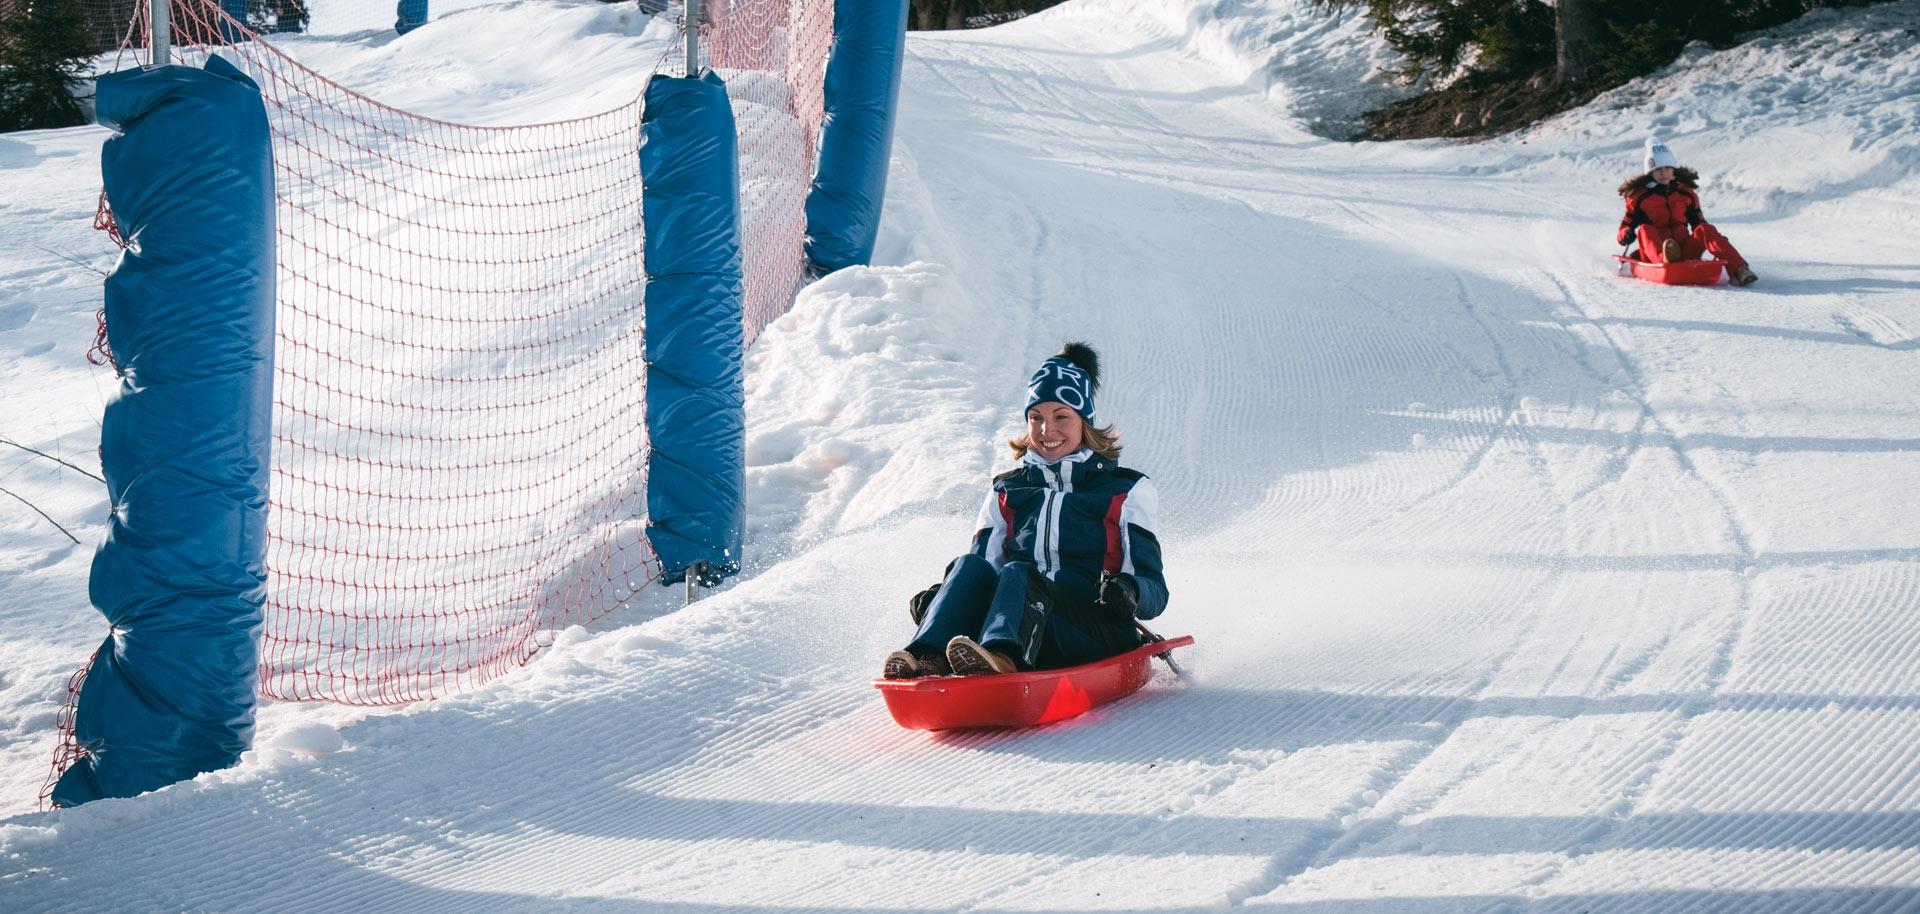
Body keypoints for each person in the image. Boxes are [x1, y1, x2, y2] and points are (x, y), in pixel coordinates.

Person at [883, 343, 1170, 678]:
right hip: (1019, 619)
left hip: (1091, 627)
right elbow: (983, 568)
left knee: (1020, 573)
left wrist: (1130, 591)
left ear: (1085, 422)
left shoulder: (1126, 491)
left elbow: (1155, 590)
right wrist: (943, 599)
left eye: (1061, 416)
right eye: (1036, 418)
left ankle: (1003, 659)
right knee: (968, 566)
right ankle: (926, 658)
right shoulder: (1007, 489)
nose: (1047, 431)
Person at [1617, 136, 1758, 286]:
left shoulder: (1685, 193)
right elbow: (1626, 226)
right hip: (1655, 255)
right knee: (1645, 229)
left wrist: (1717, 240)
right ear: (1650, 172)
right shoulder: (1640, 197)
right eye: (1658, 169)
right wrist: (1626, 234)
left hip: (1684, 251)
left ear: (1673, 170)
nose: (1663, 172)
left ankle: (1740, 270)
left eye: (1667, 167)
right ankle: (1665, 258)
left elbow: (1699, 224)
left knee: (1705, 229)